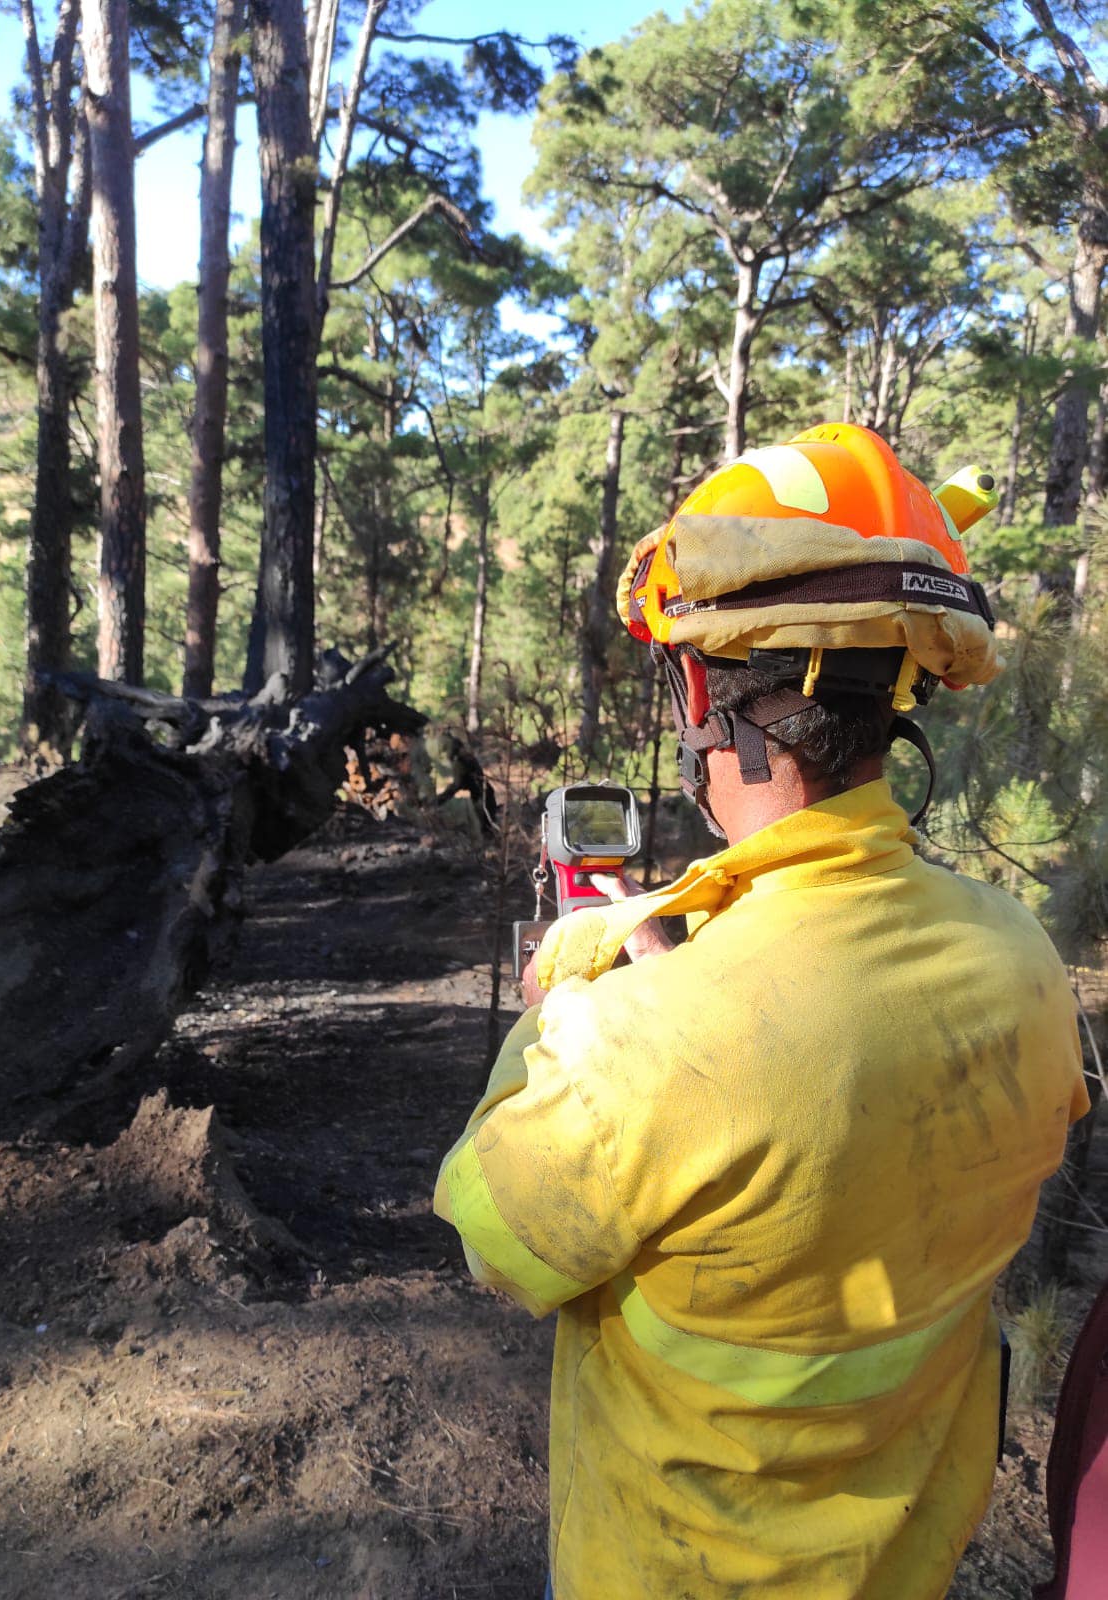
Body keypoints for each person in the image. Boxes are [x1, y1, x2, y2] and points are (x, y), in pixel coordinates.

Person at [433, 423, 1090, 1600]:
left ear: (700, 685)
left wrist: (571, 994)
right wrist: (672, 955)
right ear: (901, 689)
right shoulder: (1025, 962)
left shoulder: (643, 1042)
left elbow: (496, 1234)